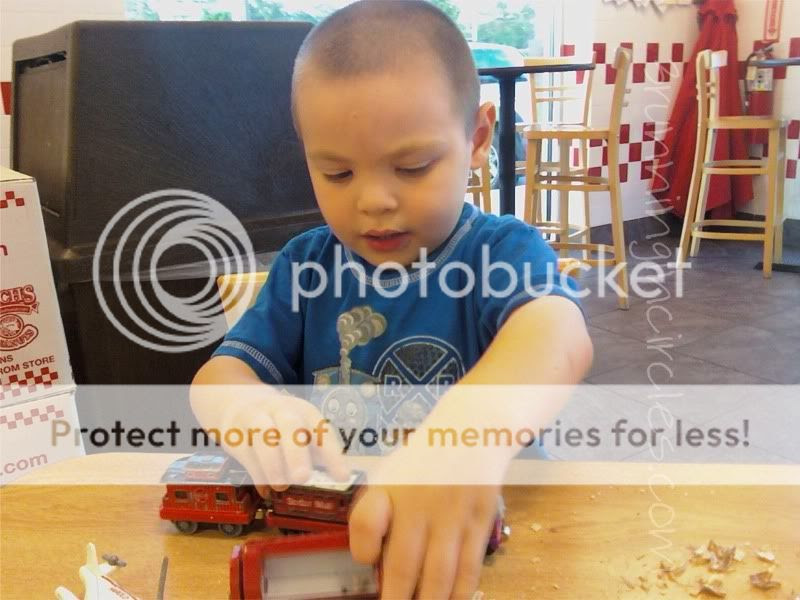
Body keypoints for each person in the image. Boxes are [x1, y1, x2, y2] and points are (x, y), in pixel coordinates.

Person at [191, 1, 593, 597]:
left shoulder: (501, 252)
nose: (374, 200)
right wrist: (245, 408)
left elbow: (558, 336)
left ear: (478, 138)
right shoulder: (305, 268)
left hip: (494, 558)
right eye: (337, 174)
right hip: (339, 555)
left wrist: (467, 434)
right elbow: (217, 376)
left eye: (412, 166)